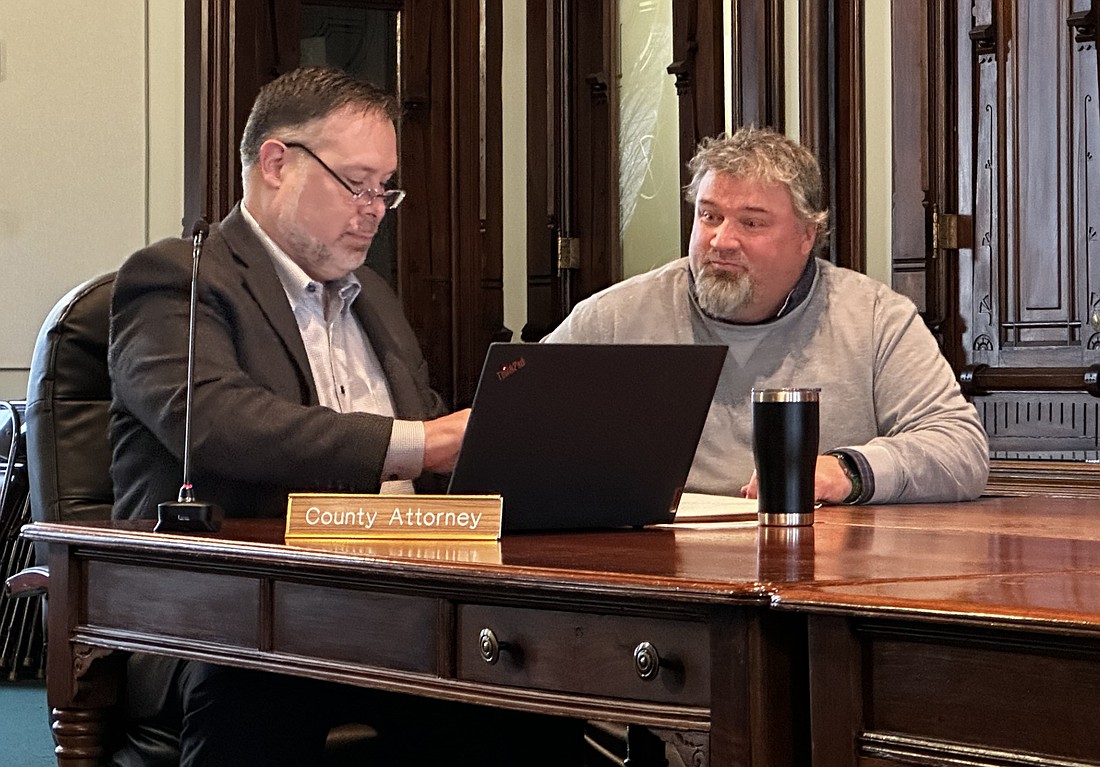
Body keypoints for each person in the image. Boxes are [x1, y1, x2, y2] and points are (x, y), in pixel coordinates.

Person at [108, 67, 578, 766]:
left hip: (400, 605)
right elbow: (215, 423)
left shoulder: (375, 298)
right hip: (227, 613)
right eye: (357, 183)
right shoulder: (179, 278)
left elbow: (436, 478)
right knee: (256, 686)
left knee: (536, 694)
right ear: (276, 163)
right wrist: (424, 442)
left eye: (386, 188)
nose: (376, 208)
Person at [544, 126, 989, 505]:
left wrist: (844, 471)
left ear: (805, 236)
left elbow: (960, 450)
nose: (721, 240)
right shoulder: (615, 317)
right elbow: (514, 418)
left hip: (815, 574)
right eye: (709, 216)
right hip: (658, 578)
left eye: (751, 223)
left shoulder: (875, 319)